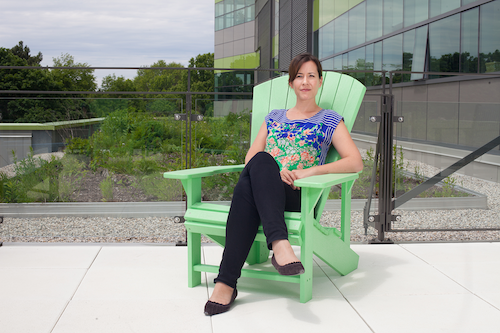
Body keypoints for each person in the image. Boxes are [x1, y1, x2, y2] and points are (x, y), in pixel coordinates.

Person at [204, 53, 363, 316]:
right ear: (290, 83)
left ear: (320, 81)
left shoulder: (330, 120)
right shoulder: (273, 116)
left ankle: (226, 283)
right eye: (299, 76)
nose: (305, 81)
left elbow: (355, 162)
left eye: (311, 76)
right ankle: (279, 244)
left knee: (247, 187)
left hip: (299, 194)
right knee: (261, 162)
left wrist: (306, 172)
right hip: (266, 187)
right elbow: (250, 158)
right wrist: (272, 173)